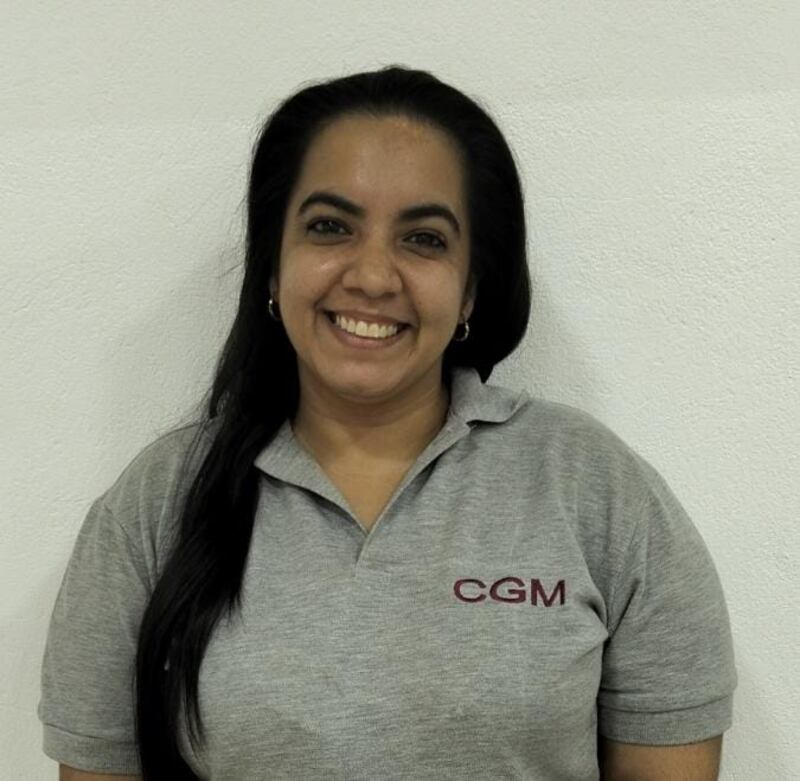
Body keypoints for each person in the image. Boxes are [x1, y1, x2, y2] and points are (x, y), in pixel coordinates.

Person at [38, 65, 737, 780]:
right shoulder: (156, 504)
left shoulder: (594, 488)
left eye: (424, 239)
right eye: (330, 227)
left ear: (470, 289)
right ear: (273, 268)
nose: (372, 276)